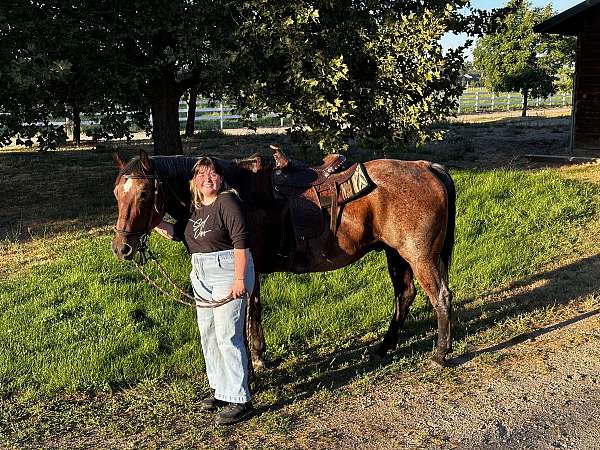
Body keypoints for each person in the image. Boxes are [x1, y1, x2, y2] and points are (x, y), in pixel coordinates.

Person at [154, 157, 255, 426]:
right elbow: (178, 233)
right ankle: (221, 390)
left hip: (228, 269)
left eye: (212, 174)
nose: (207, 178)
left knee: (227, 336)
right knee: (208, 334)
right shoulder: (194, 207)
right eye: (201, 174)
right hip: (200, 271)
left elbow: (241, 243)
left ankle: (240, 398)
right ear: (194, 180)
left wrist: (239, 279)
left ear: (221, 178)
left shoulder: (228, 203)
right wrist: (152, 223)